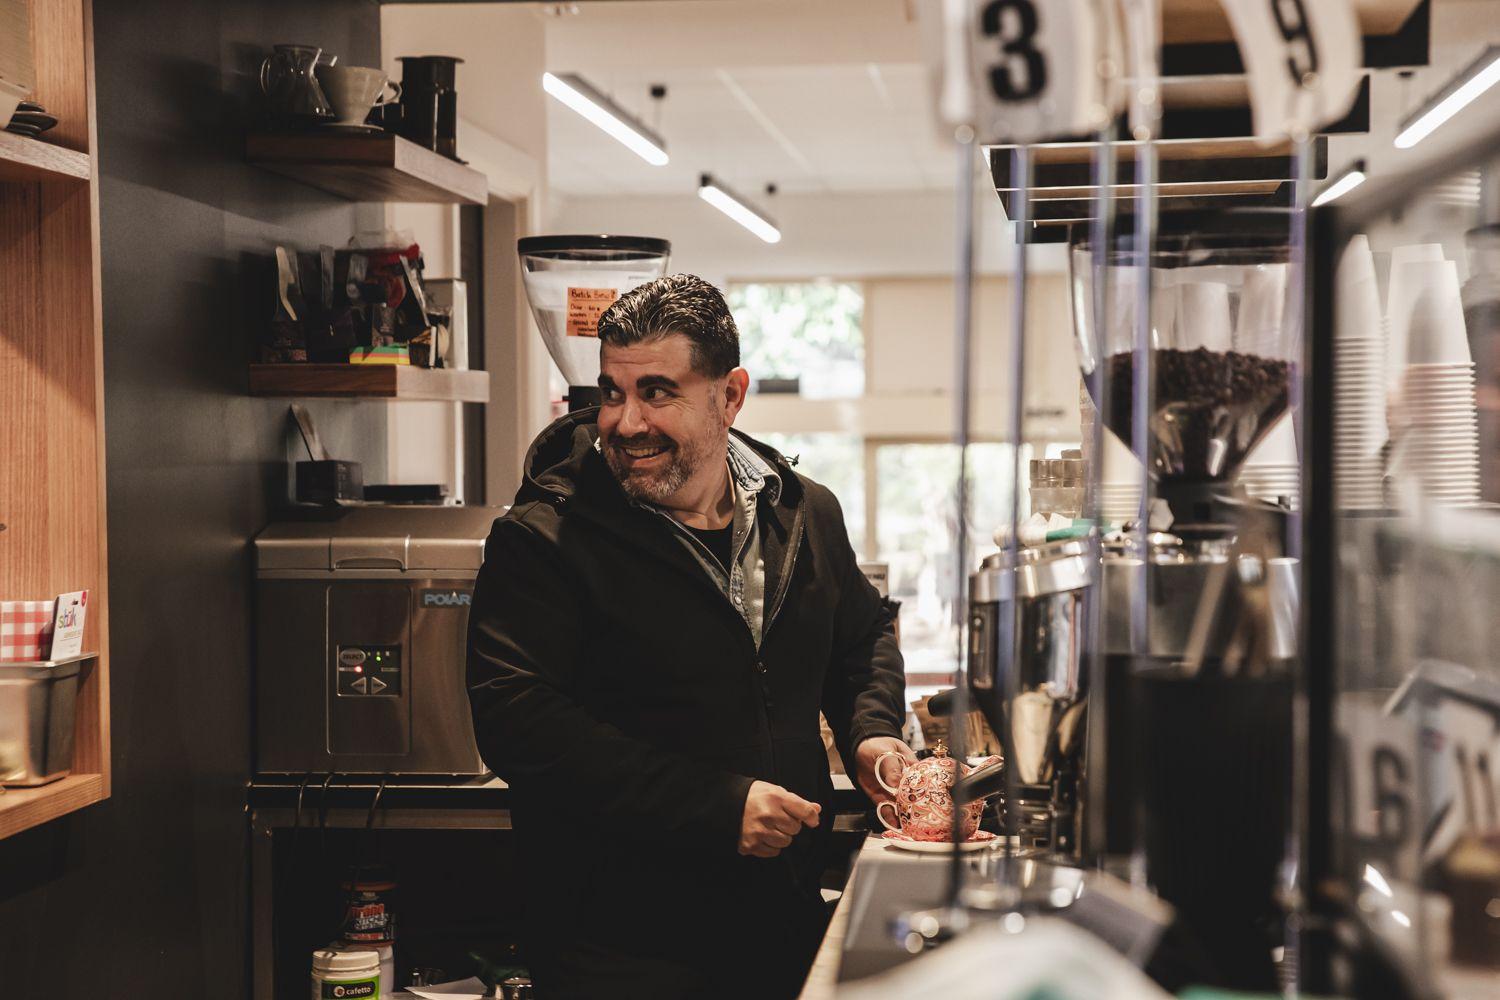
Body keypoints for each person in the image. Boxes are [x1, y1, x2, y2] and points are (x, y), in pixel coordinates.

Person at [466, 273, 911, 999]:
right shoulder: (544, 539)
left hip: (780, 924)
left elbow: (861, 636)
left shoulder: (801, 512)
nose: (626, 421)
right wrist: (718, 805)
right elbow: (518, 724)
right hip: (617, 948)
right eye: (613, 392)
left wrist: (871, 732)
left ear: (729, 396)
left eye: (658, 393)